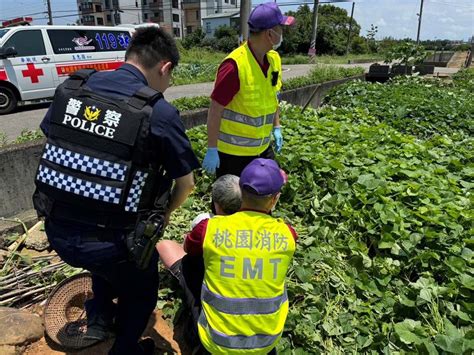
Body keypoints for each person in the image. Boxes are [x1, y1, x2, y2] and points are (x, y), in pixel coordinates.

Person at [33, 27, 200, 355]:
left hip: (58, 232)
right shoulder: (159, 113)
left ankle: (99, 315)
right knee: (141, 291)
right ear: (164, 67)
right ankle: (125, 348)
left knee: (105, 263)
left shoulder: (72, 89)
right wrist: (163, 217)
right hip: (114, 245)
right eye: (170, 77)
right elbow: (187, 184)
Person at [189, 158, 297, 354]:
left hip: (216, 343)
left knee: (192, 261)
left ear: (240, 190)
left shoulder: (209, 228)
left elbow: (188, 248)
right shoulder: (288, 234)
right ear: (274, 199)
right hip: (266, 343)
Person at [202, 2, 295, 177]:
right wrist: (212, 148)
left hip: (262, 148)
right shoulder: (234, 66)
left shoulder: (274, 60)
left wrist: (277, 127)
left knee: (266, 193)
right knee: (231, 201)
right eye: (281, 29)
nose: (282, 34)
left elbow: (272, 96)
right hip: (233, 155)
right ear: (269, 34)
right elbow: (215, 110)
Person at [156, 174, 242, 343]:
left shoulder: (206, 227)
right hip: (252, 319)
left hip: (211, 327)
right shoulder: (263, 231)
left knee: (165, 246)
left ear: (216, 203)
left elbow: (188, 249)